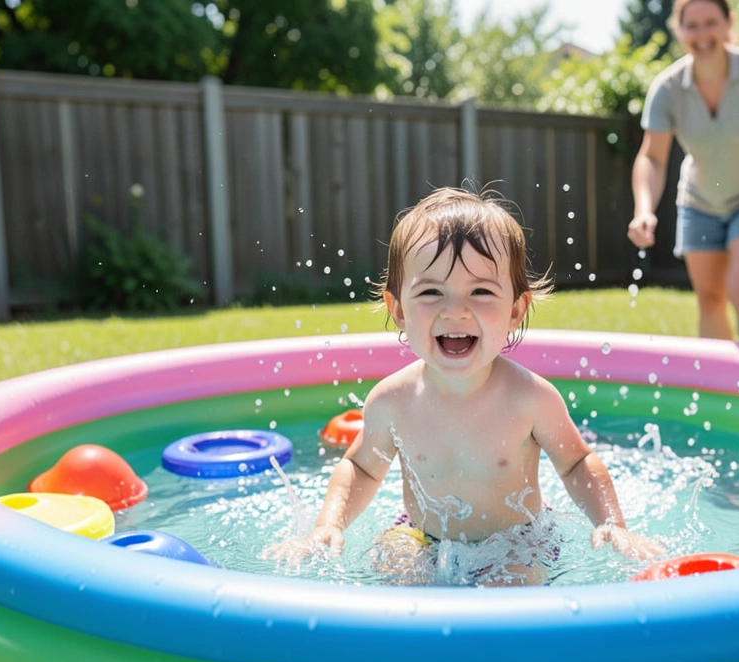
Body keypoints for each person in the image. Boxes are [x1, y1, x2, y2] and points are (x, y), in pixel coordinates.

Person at [264, 187, 664, 585]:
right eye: (432, 292)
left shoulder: (530, 398)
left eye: (481, 291)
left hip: (518, 541)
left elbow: (577, 463)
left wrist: (613, 523)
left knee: (512, 585)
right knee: (396, 570)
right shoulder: (392, 401)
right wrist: (328, 525)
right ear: (399, 310)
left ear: (515, 310)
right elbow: (361, 468)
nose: (455, 310)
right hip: (421, 535)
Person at [627, 0, 739, 344]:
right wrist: (644, 210)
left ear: (729, 24)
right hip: (699, 200)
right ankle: (721, 393)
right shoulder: (666, 89)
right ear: (679, 31)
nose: (701, 34)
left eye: (710, 22)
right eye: (692, 25)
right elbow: (651, 157)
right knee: (709, 301)